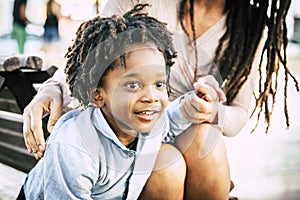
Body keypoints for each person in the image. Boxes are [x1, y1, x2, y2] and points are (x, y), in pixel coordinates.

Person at [23, 0, 299, 199]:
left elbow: (236, 114)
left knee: (204, 137)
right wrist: (51, 88)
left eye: (160, 84)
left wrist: (208, 110)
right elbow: (90, 59)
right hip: (128, 137)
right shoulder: (75, 143)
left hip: (166, 136)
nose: (152, 93)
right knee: (169, 163)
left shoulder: (249, 24)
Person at [18, 4, 189, 199]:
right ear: (97, 95)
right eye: (133, 85)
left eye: (159, 84)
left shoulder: (147, 122)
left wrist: (192, 105)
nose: (151, 97)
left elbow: (171, 121)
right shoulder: (75, 146)